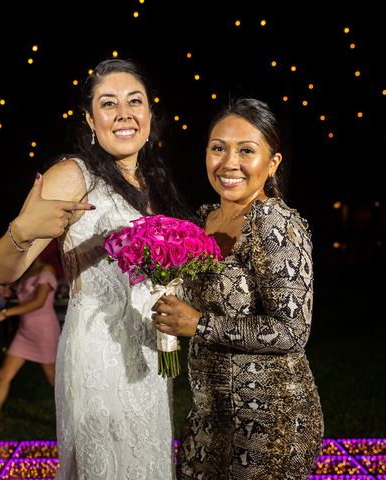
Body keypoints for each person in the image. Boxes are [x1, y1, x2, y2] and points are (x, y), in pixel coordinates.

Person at [0, 58, 190, 478]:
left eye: (135, 101)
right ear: (89, 118)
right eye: (108, 103)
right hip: (99, 356)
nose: (124, 114)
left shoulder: (153, 184)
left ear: (151, 113)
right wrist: (21, 231)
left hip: (147, 357)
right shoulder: (73, 175)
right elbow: (1, 271)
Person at [152, 97, 324, 479]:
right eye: (218, 148)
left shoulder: (275, 224)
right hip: (208, 416)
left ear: (273, 162)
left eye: (246, 150)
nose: (229, 163)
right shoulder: (200, 221)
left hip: (270, 420)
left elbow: (293, 332)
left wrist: (200, 325)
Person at [0, 247, 61, 438]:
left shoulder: (47, 270)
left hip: (44, 332)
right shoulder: (27, 271)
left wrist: (4, 314)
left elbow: (38, 302)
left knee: (55, 381)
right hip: (25, 331)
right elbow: (23, 297)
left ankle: (75, 424)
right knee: (3, 375)